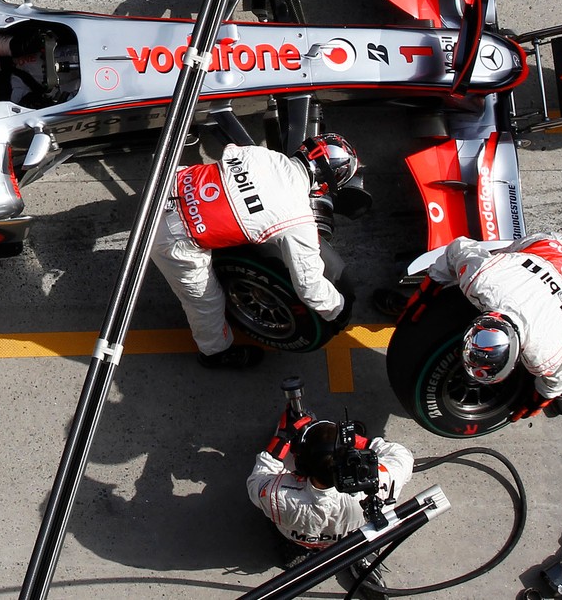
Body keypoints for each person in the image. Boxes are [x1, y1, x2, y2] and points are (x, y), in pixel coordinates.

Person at [149, 134, 358, 369]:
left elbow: (231, 155)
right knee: (206, 302)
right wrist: (338, 311)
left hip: (163, 184)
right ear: (324, 184)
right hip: (170, 238)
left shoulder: (262, 154)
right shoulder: (298, 219)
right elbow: (309, 286)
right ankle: (214, 353)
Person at [424, 232, 562, 415]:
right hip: (549, 248)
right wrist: (427, 291)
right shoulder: (483, 279)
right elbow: (458, 247)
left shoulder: (545, 355)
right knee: (504, 258)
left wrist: (544, 397)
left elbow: (559, 379)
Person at [248, 402, 414, 587]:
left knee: (274, 513)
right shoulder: (379, 480)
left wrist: (283, 438)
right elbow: (403, 456)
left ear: (301, 465)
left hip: (299, 537)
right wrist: (358, 440)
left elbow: (258, 480)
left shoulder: (277, 495)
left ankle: (296, 553)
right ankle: (360, 556)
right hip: (355, 535)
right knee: (367, 536)